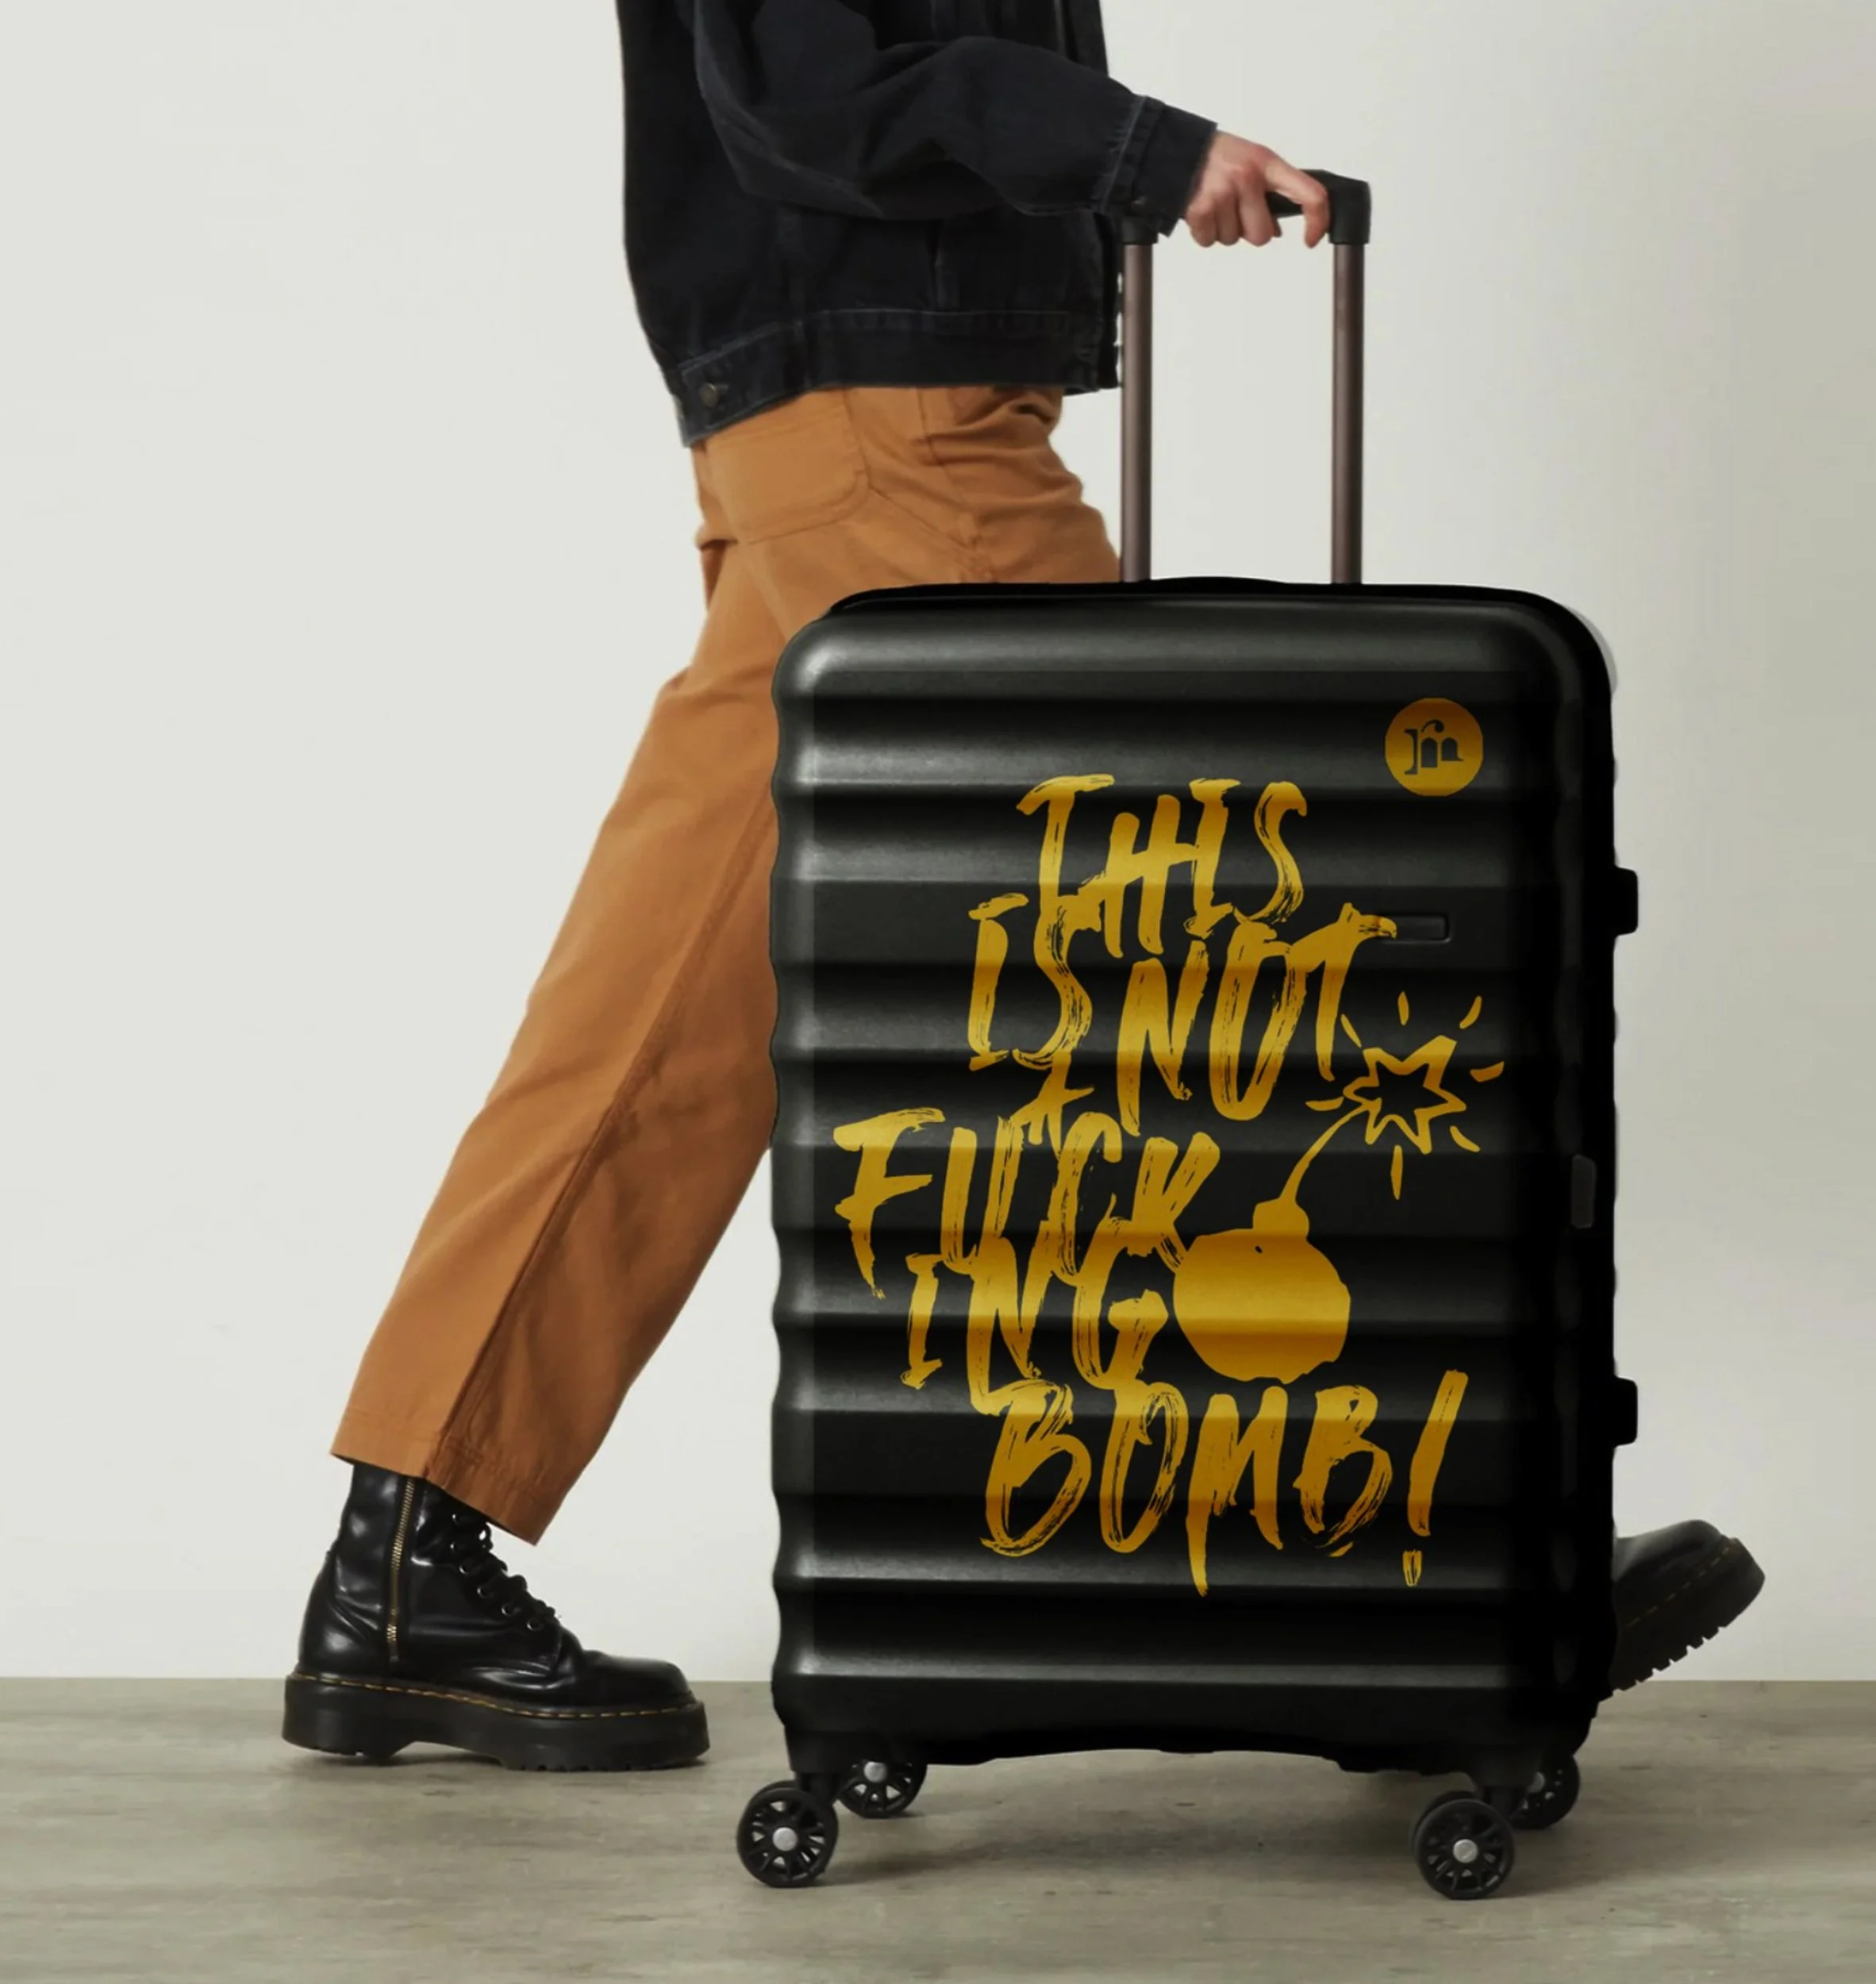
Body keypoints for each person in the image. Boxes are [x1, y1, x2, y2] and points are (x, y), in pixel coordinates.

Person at [283, 1, 1763, 1774]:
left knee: (668, 1017)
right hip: (902, 445)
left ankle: (404, 1561)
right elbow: (809, 91)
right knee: (1205, 964)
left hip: (836, 439)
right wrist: (1145, 154)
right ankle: (1409, 1567)